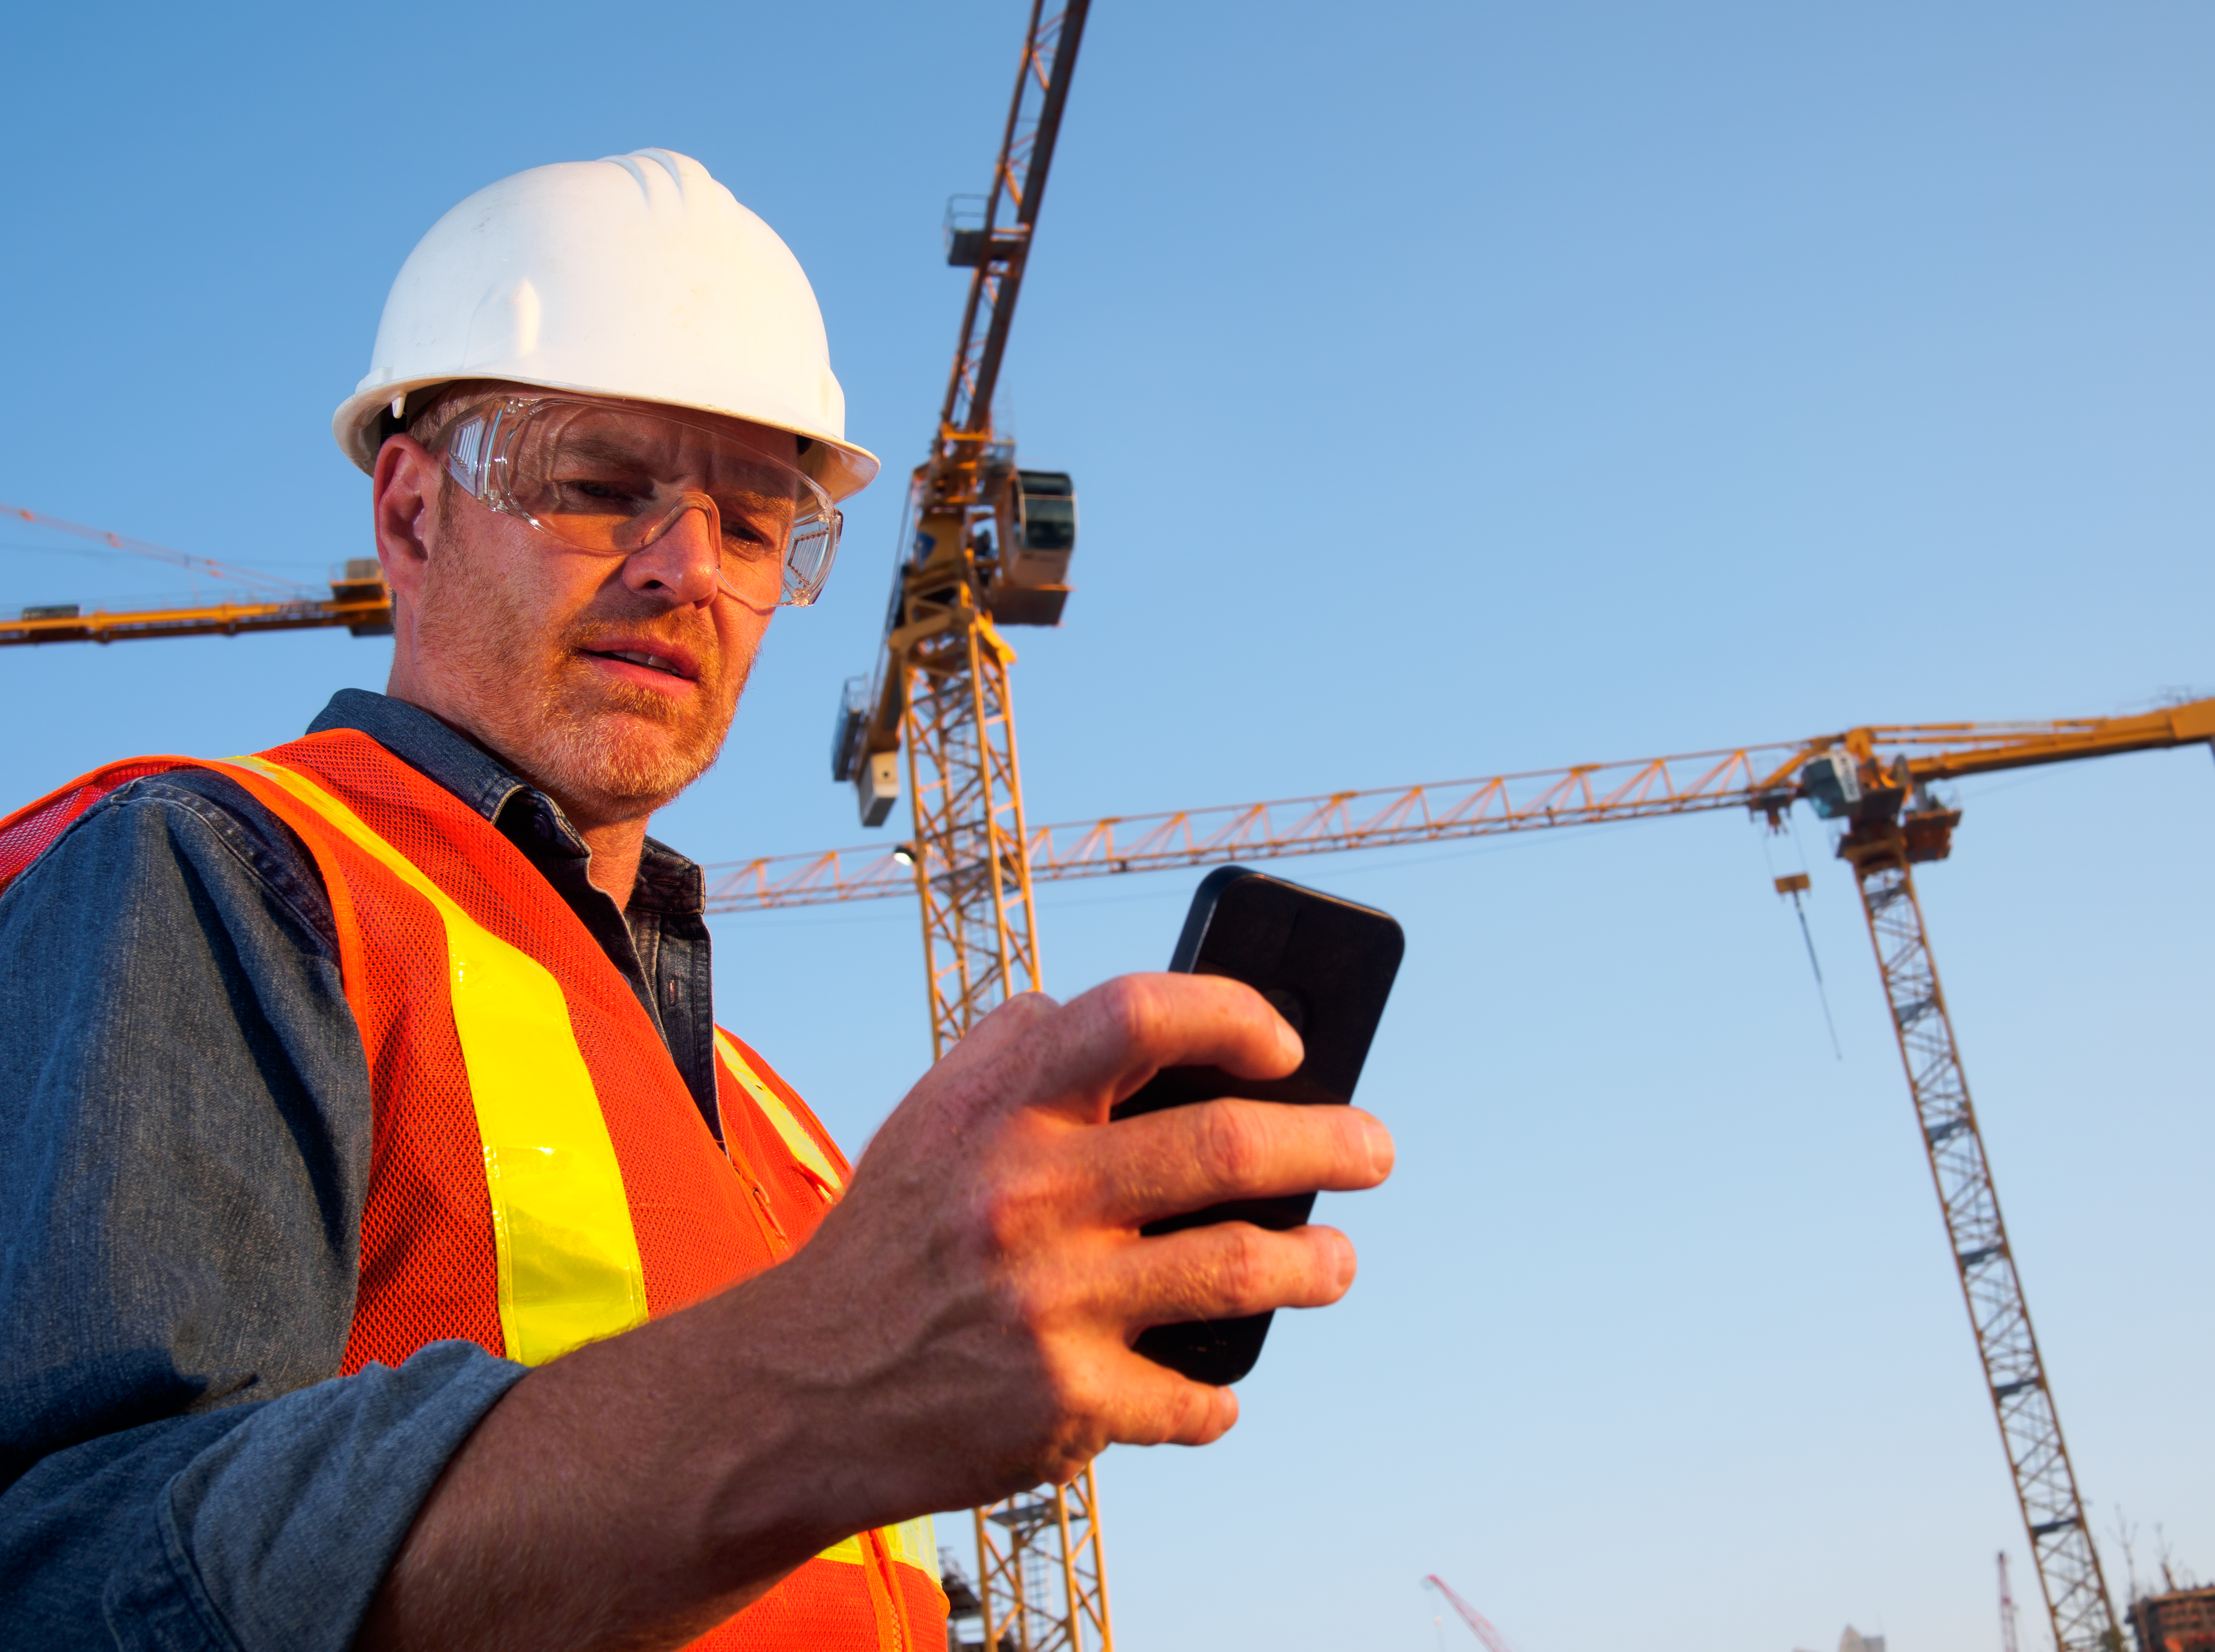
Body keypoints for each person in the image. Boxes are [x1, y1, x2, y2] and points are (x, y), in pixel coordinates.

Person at [0, 150, 1393, 1652]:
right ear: (408, 518)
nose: (690, 574)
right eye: (600, 489)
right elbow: (77, 1575)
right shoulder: (227, 871)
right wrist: (821, 1371)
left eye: (754, 526)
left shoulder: (778, 1138)